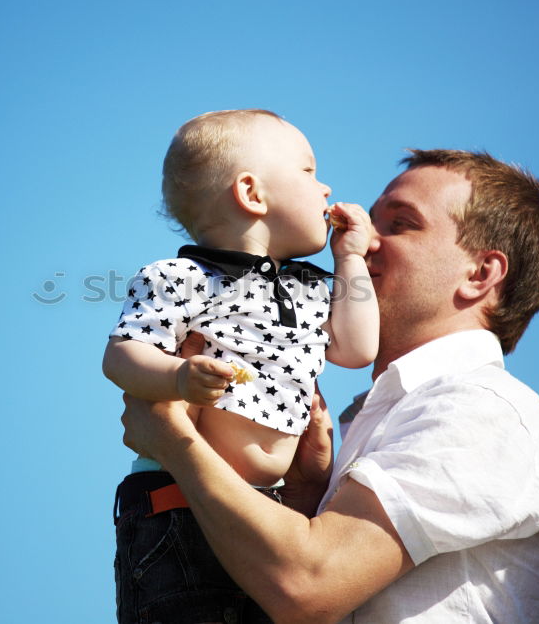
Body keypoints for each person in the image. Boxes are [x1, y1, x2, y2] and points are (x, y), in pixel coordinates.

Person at [121, 149, 539, 623]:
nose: (364, 241)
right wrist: (307, 499)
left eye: (401, 224)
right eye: (370, 223)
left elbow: (307, 586)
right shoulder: (385, 424)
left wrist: (172, 436)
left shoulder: (479, 409)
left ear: (479, 275)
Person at [103, 109, 381, 622]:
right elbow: (122, 354)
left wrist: (351, 260)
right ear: (252, 194)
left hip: (269, 514)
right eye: (308, 172)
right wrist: (177, 377)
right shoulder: (181, 276)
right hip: (177, 506)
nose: (325, 189)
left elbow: (355, 349)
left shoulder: (310, 288)